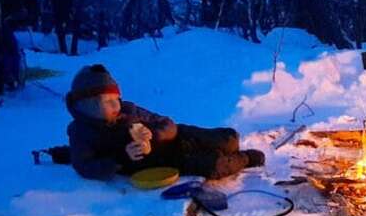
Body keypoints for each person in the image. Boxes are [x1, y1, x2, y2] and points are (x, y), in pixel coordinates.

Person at [64, 64, 265, 181]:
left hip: (178, 137)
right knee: (213, 166)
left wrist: (155, 134)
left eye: (116, 98)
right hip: (165, 162)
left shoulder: (129, 110)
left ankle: (226, 149)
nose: (116, 105)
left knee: (228, 139)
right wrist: (120, 159)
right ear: (88, 106)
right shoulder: (81, 132)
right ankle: (245, 158)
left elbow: (166, 123)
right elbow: (84, 165)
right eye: (107, 102)